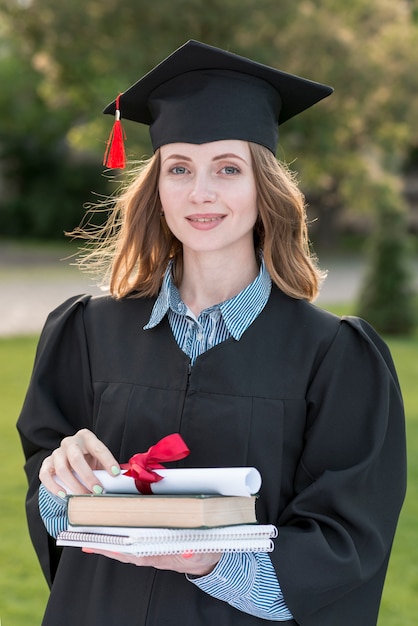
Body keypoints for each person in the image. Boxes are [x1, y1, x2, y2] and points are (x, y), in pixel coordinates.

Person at [17, 40, 406, 626]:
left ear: (263, 187)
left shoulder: (333, 358)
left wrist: (208, 560)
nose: (201, 192)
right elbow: (55, 524)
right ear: (158, 190)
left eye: (228, 168)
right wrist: (61, 480)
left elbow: (347, 541)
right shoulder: (86, 333)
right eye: (179, 169)